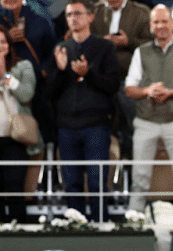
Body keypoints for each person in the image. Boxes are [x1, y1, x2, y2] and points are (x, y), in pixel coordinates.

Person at [125, 4, 173, 225]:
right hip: (146, 122)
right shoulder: (141, 52)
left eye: (164, 21)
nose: (160, 26)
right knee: (139, 178)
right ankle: (134, 225)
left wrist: (172, 92)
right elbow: (129, 88)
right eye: (156, 22)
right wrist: (147, 91)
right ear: (150, 26)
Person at [46, 0, 120, 223]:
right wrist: (59, 71)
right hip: (67, 126)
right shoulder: (61, 49)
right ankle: (76, 229)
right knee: (72, 184)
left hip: (96, 125)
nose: (73, 19)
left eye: (77, 14)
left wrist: (88, 73)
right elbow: (49, 93)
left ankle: (100, 227)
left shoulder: (105, 48)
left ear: (91, 17)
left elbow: (113, 85)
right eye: (69, 15)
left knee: (98, 182)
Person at [90, 0, 153, 161]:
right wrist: (101, 41)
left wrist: (128, 42)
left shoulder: (141, 12)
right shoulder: (93, 11)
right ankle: (108, 178)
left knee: (135, 129)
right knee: (101, 130)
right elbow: (81, 39)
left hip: (131, 82)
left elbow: (153, 45)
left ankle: (133, 175)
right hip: (100, 82)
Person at [0, 0, 57, 149]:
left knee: (39, 123)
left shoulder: (39, 16)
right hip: (5, 76)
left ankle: (44, 165)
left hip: (36, 81)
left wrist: (45, 69)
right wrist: (8, 37)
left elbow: (53, 47)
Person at [0, 25, 35, 223]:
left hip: (14, 137)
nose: (0, 46)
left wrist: (6, 75)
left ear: (10, 45)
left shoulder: (23, 67)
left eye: (3, 42)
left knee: (14, 186)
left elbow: (27, 95)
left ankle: (18, 231)